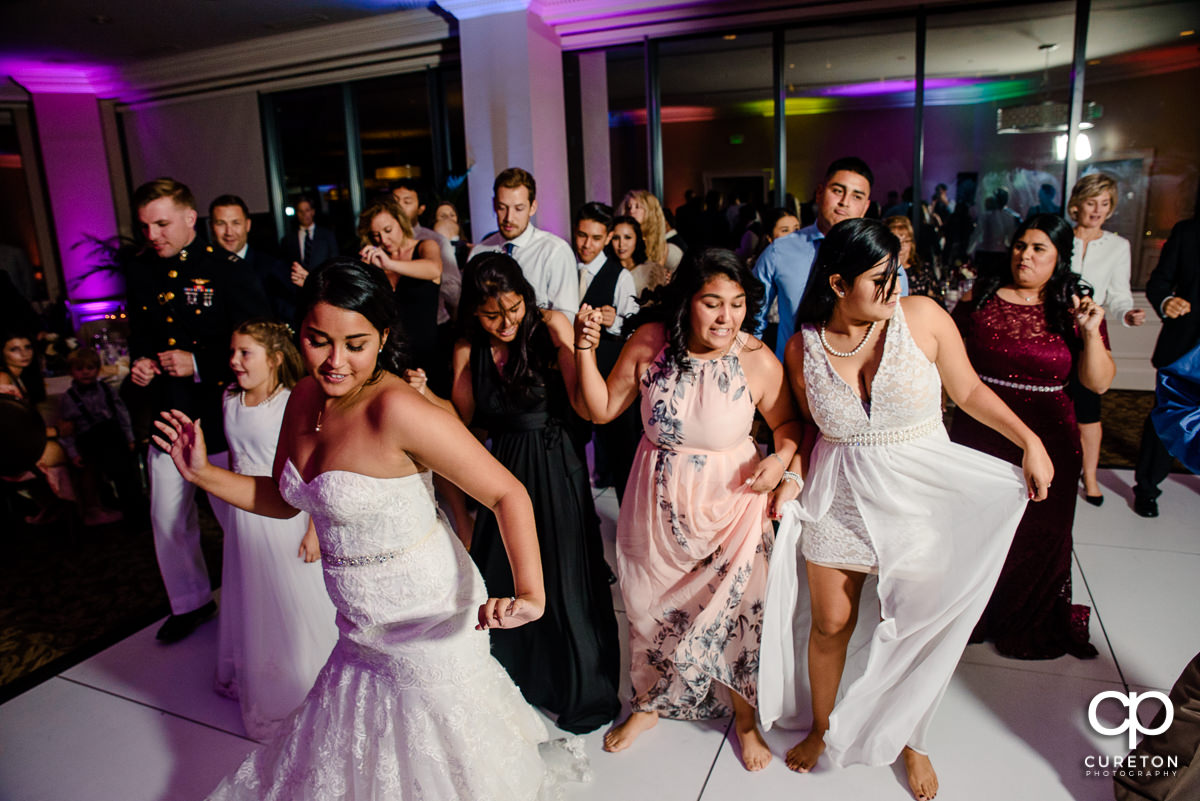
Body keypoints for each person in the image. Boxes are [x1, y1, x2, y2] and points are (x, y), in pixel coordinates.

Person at [152, 257, 586, 800]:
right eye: (318, 340)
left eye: (355, 344)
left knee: (447, 762)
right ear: (299, 335)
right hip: (359, 625)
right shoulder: (304, 397)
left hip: (426, 614)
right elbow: (286, 501)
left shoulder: (398, 410)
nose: (335, 362)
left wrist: (531, 594)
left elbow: (506, 492)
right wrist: (202, 473)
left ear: (382, 337)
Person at [757, 218, 1050, 801]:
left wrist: (1029, 441)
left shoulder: (923, 318)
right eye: (878, 279)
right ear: (838, 284)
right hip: (839, 498)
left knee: (918, 628)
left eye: (895, 276)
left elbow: (967, 392)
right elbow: (807, 432)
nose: (893, 289)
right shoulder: (801, 347)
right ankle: (822, 726)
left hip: (920, 497)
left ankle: (911, 740)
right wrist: (791, 475)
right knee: (829, 624)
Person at [574, 249, 803, 771]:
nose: (727, 318)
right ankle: (651, 703)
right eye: (712, 303)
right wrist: (584, 350)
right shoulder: (651, 344)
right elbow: (600, 408)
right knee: (646, 605)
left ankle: (744, 718)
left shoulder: (755, 359)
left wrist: (783, 460)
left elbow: (789, 425)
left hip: (735, 506)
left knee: (743, 612)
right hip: (657, 504)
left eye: (739, 304)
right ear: (687, 303)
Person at [449, 251, 620, 733]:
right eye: (491, 314)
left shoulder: (550, 326)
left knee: (563, 579)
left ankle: (578, 686)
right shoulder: (467, 347)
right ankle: (518, 685)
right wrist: (421, 395)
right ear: (473, 312)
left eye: (513, 307)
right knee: (502, 576)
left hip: (551, 461)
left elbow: (583, 405)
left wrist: (582, 348)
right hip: (500, 467)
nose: (506, 321)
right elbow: (461, 419)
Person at [950, 214, 1114, 660]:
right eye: (1021, 245)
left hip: (1051, 430)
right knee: (977, 527)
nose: (1025, 255)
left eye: (1039, 248)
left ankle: (1026, 616)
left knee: (1041, 530)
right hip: (981, 429)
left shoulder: (1073, 306)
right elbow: (948, 361)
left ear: (1060, 257)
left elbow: (1097, 383)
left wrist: (1089, 333)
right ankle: (971, 614)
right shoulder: (980, 295)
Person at [127, 178, 271, 642]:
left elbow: (262, 341)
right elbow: (143, 334)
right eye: (146, 226)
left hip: (218, 415)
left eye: (162, 224)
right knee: (167, 517)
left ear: (191, 219)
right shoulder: (142, 270)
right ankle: (189, 603)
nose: (153, 235)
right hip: (168, 414)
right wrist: (142, 363)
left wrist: (200, 364)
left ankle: (261, 599)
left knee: (237, 520)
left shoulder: (226, 269)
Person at [214, 319, 338, 741]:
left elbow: (308, 469)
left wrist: (314, 528)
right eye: (233, 352)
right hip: (244, 515)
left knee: (292, 601)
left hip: (284, 514)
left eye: (245, 353)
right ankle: (259, 677)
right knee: (253, 596)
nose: (234, 361)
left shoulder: (290, 402)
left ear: (274, 358)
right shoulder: (230, 398)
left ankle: (306, 681)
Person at [754, 156, 909, 361]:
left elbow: (898, 325)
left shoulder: (884, 259)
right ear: (819, 193)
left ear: (865, 206)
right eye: (837, 191)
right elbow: (752, 321)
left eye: (857, 196)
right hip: (792, 374)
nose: (844, 202)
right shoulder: (780, 251)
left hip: (860, 378)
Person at [1067, 173, 1146, 505]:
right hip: (1056, 326)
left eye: (1104, 203)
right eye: (1091, 202)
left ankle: (1091, 476)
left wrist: (1127, 314)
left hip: (1091, 330)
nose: (1097, 210)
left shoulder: (1118, 246)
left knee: (1089, 406)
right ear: (1077, 204)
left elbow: (1119, 296)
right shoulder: (1059, 238)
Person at [1133, 213, 1200, 517]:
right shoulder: (1187, 232)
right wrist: (1166, 302)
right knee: (1170, 417)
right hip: (1186, 348)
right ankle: (1147, 489)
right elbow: (1159, 281)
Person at [574, 202, 640, 498]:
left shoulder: (620, 276)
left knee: (620, 450)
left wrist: (615, 322)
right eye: (581, 235)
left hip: (608, 373)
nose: (587, 244)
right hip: (570, 369)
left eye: (596, 238)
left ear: (608, 237)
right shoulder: (565, 267)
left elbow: (633, 326)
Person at [470, 167, 579, 318]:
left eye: (519, 209)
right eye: (502, 208)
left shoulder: (554, 251)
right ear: (494, 204)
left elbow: (566, 318)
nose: (509, 217)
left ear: (532, 207)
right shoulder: (479, 252)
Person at [356, 197, 442, 373]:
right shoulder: (375, 263)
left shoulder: (425, 246)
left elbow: (434, 269)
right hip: (390, 357)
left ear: (400, 222)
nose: (384, 239)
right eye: (376, 235)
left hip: (426, 356)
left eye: (388, 230)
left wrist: (390, 264)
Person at [58, 347, 139, 519]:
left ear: (98, 369)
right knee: (96, 477)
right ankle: (103, 507)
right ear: (71, 372)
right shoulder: (68, 397)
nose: (85, 373)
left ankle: (134, 508)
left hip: (113, 437)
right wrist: (73, 453)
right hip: (89, 441)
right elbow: (66, 431)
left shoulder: (107, 389)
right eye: (79, 369)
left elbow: (121, 413)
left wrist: (129, 437)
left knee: (126, 474)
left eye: (90, 368)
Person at [209, 195, 296, 323]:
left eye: (236, 223)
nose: (229, 232)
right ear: (212, 227)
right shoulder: (203, 267)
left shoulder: (271, 267)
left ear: (247, 225)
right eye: (221, 223)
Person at [618, 189, 682, 273]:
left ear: (649, 211)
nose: (631, 211)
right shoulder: (621, 241)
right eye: (629, 207)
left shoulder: (664, 248)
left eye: (637, 207)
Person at [886, 215, 944, 306]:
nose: (901, 247)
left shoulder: (923, 270)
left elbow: (939, 304)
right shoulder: (882, 272)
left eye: (906, 241)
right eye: (896, 242)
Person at [284, 196, 339, 290]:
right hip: (297, 290)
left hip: (322, 287)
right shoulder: (288, 239)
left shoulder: (327, 235)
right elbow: (285, 266)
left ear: (313, 212)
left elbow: (334, 262)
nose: (304, 214)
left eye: (307, 210)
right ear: (297, 213)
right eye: (300, 211)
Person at [608, 215, 669, 297]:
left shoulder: (651, 270)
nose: (621, 244)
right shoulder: (606, 270)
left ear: (637, 239)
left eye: (627, 237)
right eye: (615, 238)